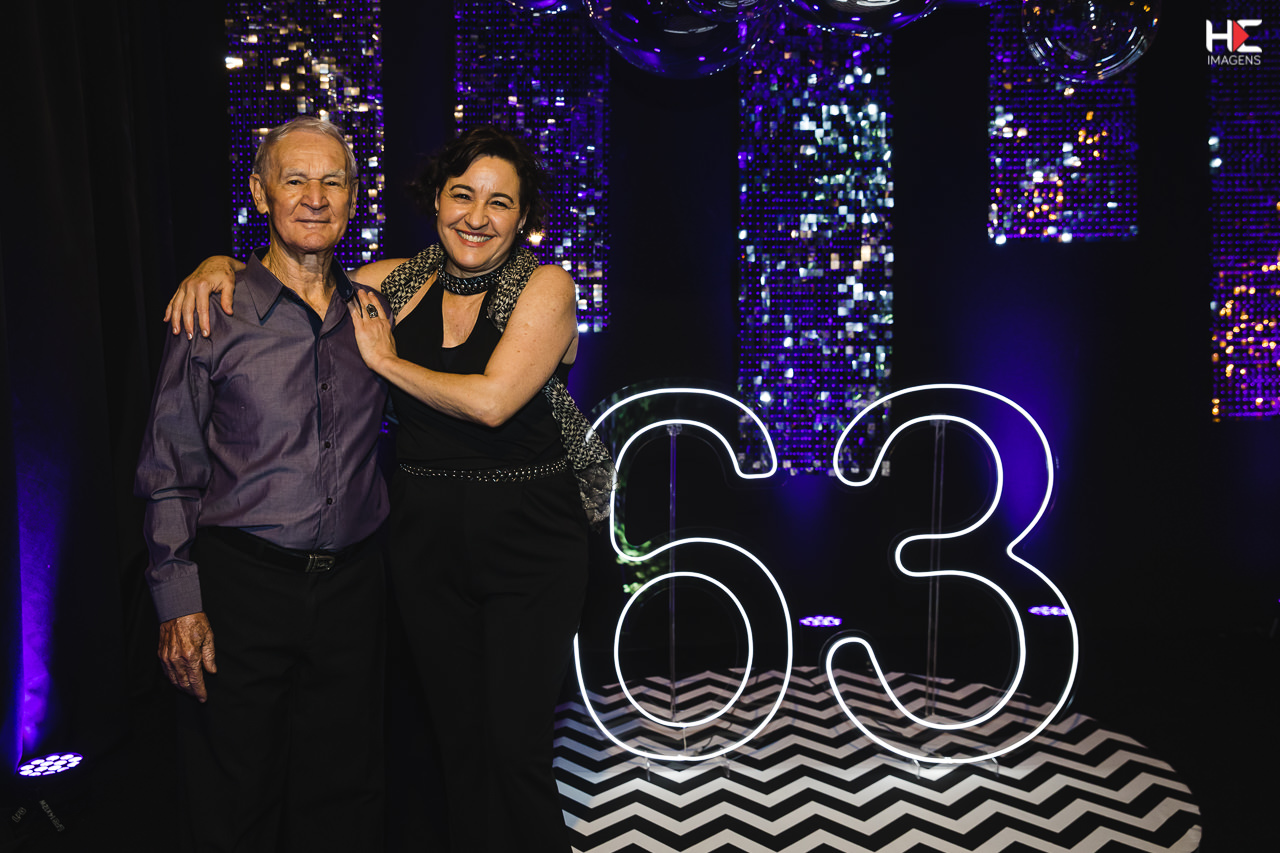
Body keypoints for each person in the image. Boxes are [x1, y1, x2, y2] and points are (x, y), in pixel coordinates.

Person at [169, 126, 613, 853]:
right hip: (422, 541)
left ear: (524, 216)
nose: (477, 216)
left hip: (528, 540)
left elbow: (493, 402)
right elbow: (296, 270)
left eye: (500, 202)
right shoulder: (392, 283)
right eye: (463, 195)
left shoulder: (546, 286)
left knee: (515, 747)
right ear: (436, 200)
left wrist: (387, 362)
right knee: (452, 744)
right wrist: (215, 265)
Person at [137, 116, 392, 851]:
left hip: (355, 590)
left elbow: (470, 255)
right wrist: (177, 601)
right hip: (243, 588)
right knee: (233, 797)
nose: (315, 197)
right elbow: (169, 465)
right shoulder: (210, 310)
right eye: (295, 180)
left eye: (333, 182)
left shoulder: (374, 310)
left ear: (354, 199)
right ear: (259, 193)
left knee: (344, 797)